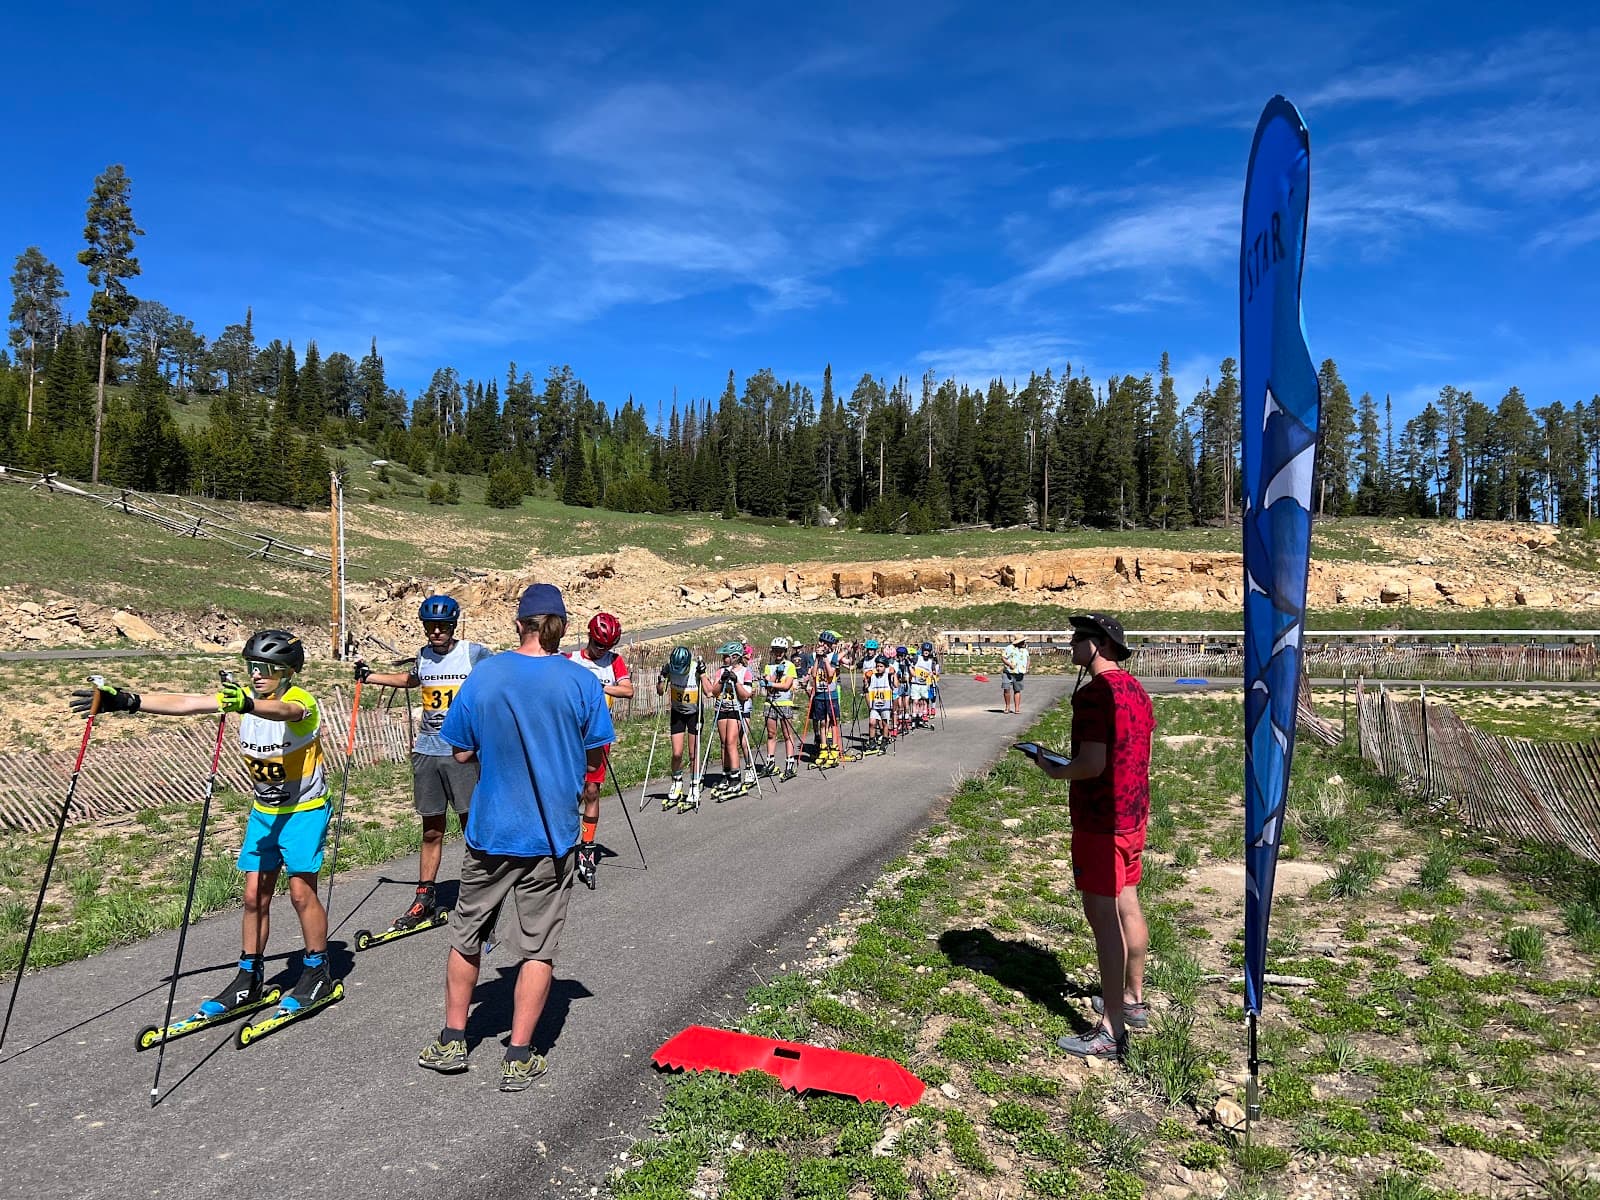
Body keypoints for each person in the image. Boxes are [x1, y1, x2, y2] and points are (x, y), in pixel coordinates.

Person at [71, 630, 337, 1021]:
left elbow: (287, 712)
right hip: (265, 813)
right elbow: (188, 702)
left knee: (300, 893)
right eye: (252, 667)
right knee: (253, 897)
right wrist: (129, 701)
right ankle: (249, 976)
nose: (257, 674)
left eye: (267, 668)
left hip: (304, 810)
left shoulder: (300, 701)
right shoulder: (244, 698)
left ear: (287, 672)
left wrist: (248, 703)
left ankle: (317, 971)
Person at [418, 583, 613, 1090]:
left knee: (467, 934)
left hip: (491, 829)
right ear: (561, 627)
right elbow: (596, 757)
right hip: (551, 834)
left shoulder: (486, 674)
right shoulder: (581, 681)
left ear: (519, 624)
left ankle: (452, 1040)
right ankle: (519, 1055)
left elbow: (460, 750)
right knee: (538, 948)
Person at [1018, 613, 1153, 1059]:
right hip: (1132, 814)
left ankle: (1111, 1029)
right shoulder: (1136, 690)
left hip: (1100, 820)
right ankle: (1132, 999)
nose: (1073, 643)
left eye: (1080, 637)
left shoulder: (1095, 694)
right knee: (1128, 902)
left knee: (1104, 920)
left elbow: (1092, 764)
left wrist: (1053, 768)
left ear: (1100, 645)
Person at [357, 595, 493, 932]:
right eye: (430, 626)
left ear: (453, 626)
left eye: (442, 626)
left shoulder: (474, 653)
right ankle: (425, 895)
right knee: (431, 828)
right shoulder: (423, 656)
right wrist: (370, 676)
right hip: (427, 751)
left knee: (470, 823)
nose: (436, 632)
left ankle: (481, 888)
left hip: (462, 752)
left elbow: (500, 679)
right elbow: (411, 680)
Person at [656, 646, 704, 810]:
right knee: (677, 753)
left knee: (693, 754)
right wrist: (661, 678)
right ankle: (677, 782)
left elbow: (710, 692)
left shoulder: (695, 668)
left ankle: (694, 785)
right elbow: (660, 692)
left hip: (694, 714)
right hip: (677, 713)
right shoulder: (671, 667)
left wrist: (703, 674)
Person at [709, 640, 755, 799]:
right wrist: (722, 680)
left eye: (725, 656)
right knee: (723, 743)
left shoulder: (745, 672)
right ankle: (726, 774)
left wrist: (736, 682)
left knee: (731, 743)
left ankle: (736, 780)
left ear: (735, 656)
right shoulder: (721, 671)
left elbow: (745, 695)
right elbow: (714, 692)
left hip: (736, 710)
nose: (723, 659)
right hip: (722, 709)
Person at [567, 612, 635, 710]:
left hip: (602, 717)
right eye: (599, 645)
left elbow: (628, 691)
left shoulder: (614, 660)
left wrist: (599, 687)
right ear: (589, 636)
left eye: (608, 646)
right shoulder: (571, 659)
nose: (603, 650)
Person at [761, 636, 800, 780]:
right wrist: (774, 676)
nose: (778, 653)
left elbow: (786, 686)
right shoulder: (769, 666)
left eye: (781, 651)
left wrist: (771, 683)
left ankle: (790, 763)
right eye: (776, 650)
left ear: (785, 651)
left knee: (787, 734)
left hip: (784, 703)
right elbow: (768, 689)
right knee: (771, 734)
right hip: (770, 703)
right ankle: (770, 762)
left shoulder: (790, 666)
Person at [863, 654, 896, 752]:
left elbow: (895, 684)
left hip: (885, 705)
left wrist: (893, 674)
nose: (878, 668)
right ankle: (872, 742)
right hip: (875, 704)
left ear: (885, 667)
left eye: (881, 666)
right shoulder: (872, 676)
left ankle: (884, 741)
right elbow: (866, 687)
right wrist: (866, 681)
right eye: (877, 666)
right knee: (872, 723)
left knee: (885, 723)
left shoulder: (888, 675)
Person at [910, 641, 938, 726]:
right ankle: (914, 717)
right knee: (915, 701)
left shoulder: (930, 661)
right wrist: (913, 674)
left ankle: (921, 717)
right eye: (925, 650)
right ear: (922, 650)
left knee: (924, 701)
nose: (926, 652)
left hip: (924, 684)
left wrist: (932, 674)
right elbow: (910, 667)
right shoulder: (917, 658)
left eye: (928, 651)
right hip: (915, 683)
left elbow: (933, 671)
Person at [1000, 635, 1030, 714]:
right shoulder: (1009, 648)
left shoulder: (1025, 650)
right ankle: (1007, 707)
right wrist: (1009, 664)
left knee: (1017, 690)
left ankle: (1017, 708)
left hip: (1019, 672)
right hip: (1008, 672)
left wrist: (1027, 668)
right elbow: (1003, 657)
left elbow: (1028, 659)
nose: (1024, 643)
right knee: (1006, 689)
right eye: (1022, 641)